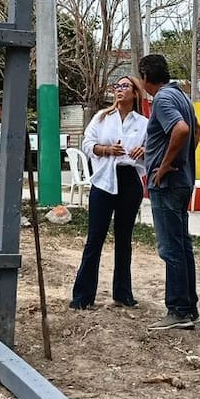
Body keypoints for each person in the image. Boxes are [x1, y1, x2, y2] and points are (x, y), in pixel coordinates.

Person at [70, 76, 148, 310]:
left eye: (125, 86)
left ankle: (123, 293)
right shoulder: (102, 118)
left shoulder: (143, 122)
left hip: (129, 180)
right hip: (104, 181)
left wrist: (143, 150)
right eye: (117, 86)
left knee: (124, 239)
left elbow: (152, 147)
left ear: (135, 93)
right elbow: (87, 143)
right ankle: (83, 296)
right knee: (95, 237)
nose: (119, 90)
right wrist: (105, 150)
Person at [138, 53, 200, 330]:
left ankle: (178, 310)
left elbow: (183, 129)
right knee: (182, 245)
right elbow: (196, 129)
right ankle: (189, 306)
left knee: (171, 248)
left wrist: (165, 165)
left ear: (144, 76)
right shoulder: (181, 96)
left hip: (168, 184)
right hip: (183, 181)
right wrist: (184, 158)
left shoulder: (163, 99)